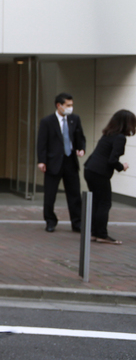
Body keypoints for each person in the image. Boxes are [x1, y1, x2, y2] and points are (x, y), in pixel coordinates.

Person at [82, 109, 135, 245]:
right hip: (99, 173)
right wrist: (121, 167)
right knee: (105, 203)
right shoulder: (120, 137)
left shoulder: (108, 134)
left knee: (96, 202)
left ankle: (94, 232)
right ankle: (101, 234)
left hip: (90, 169)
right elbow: (112, 160)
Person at [37, 92, 86, 233]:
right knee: (50, 194)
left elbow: (80, 136)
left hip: (70, 160)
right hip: (53, 162)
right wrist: (41, 161)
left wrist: (81, 148)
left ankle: (77, 223)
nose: (71, 108)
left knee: (74, 194)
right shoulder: (47, 121)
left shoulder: (74, 119)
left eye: (72, 105)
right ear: (59, 105)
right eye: (68, 105)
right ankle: (50, 221)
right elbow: (42, 142)